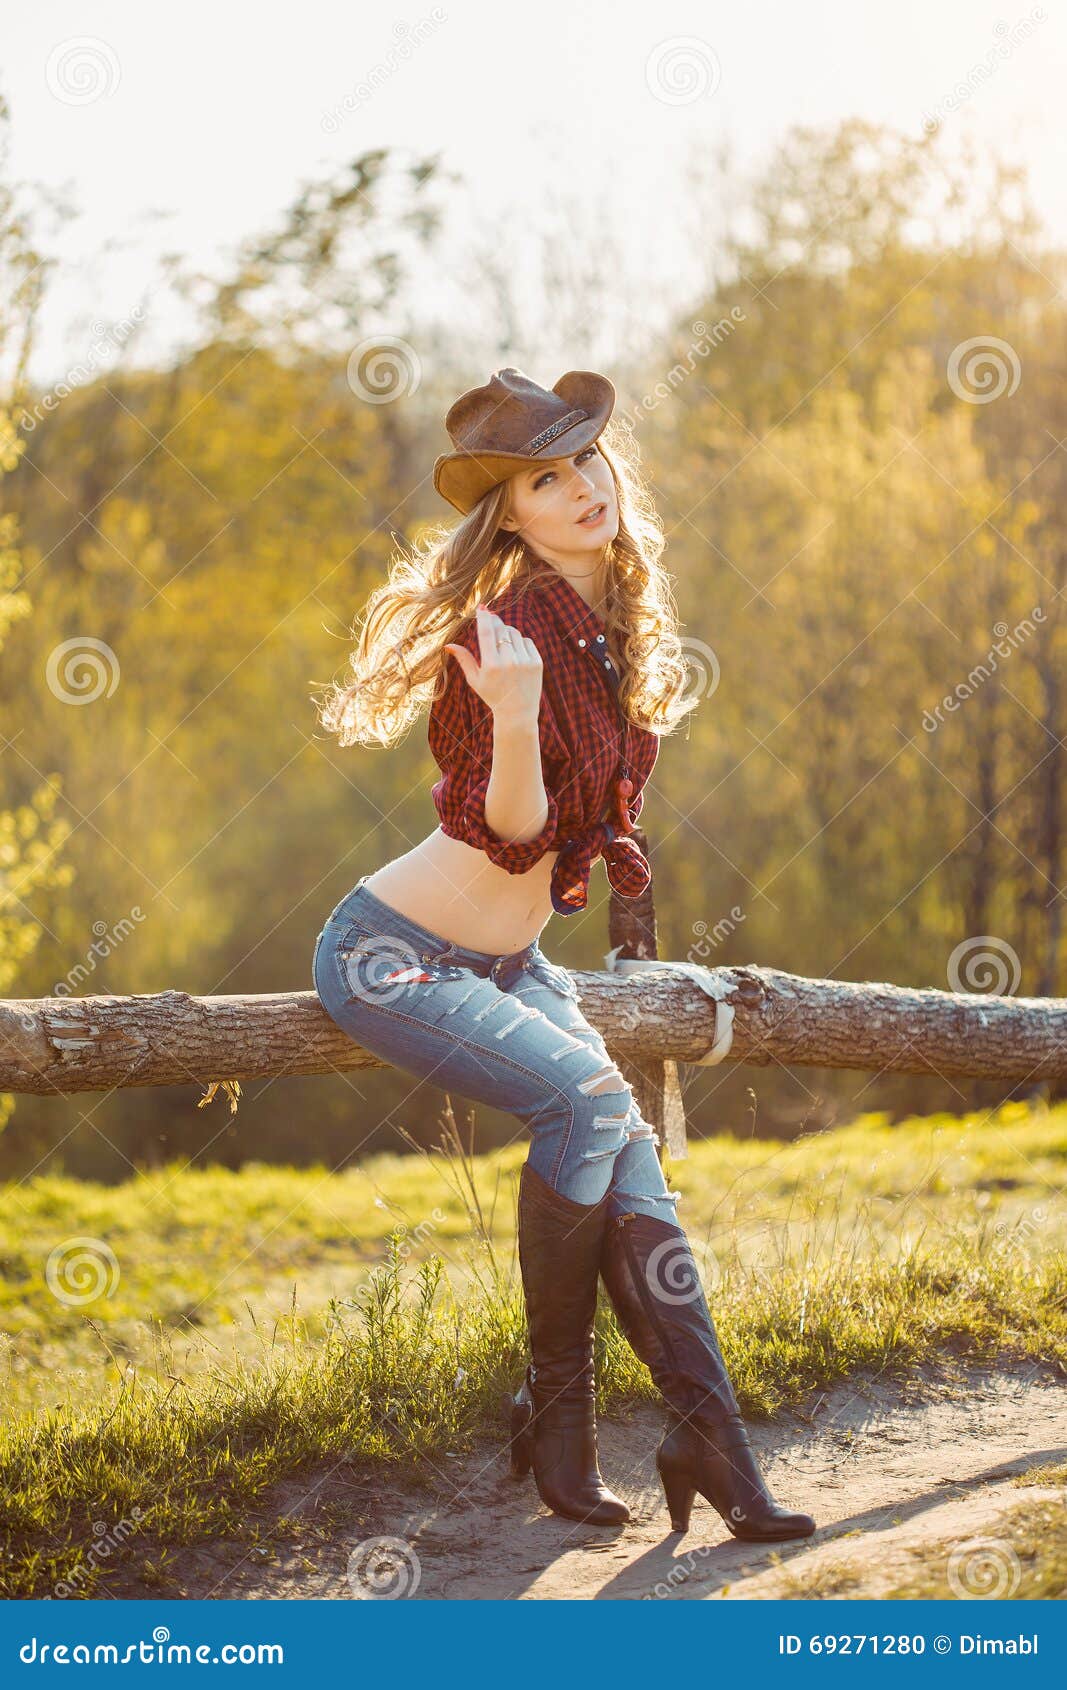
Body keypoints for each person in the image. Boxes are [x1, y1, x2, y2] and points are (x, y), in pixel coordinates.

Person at [310, 367, 815, 1541]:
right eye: (546, 478)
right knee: (589, 1101)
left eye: (586, 461)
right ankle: (560, 1423)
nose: (580, 486)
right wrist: (522, 714)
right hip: (395, 952)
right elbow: (516, 830)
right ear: (512, 515)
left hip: (507, 965)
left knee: (631, 1161)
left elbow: (594, 826)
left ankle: (714, 1446)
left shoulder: (623, 619)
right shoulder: (515, 629)